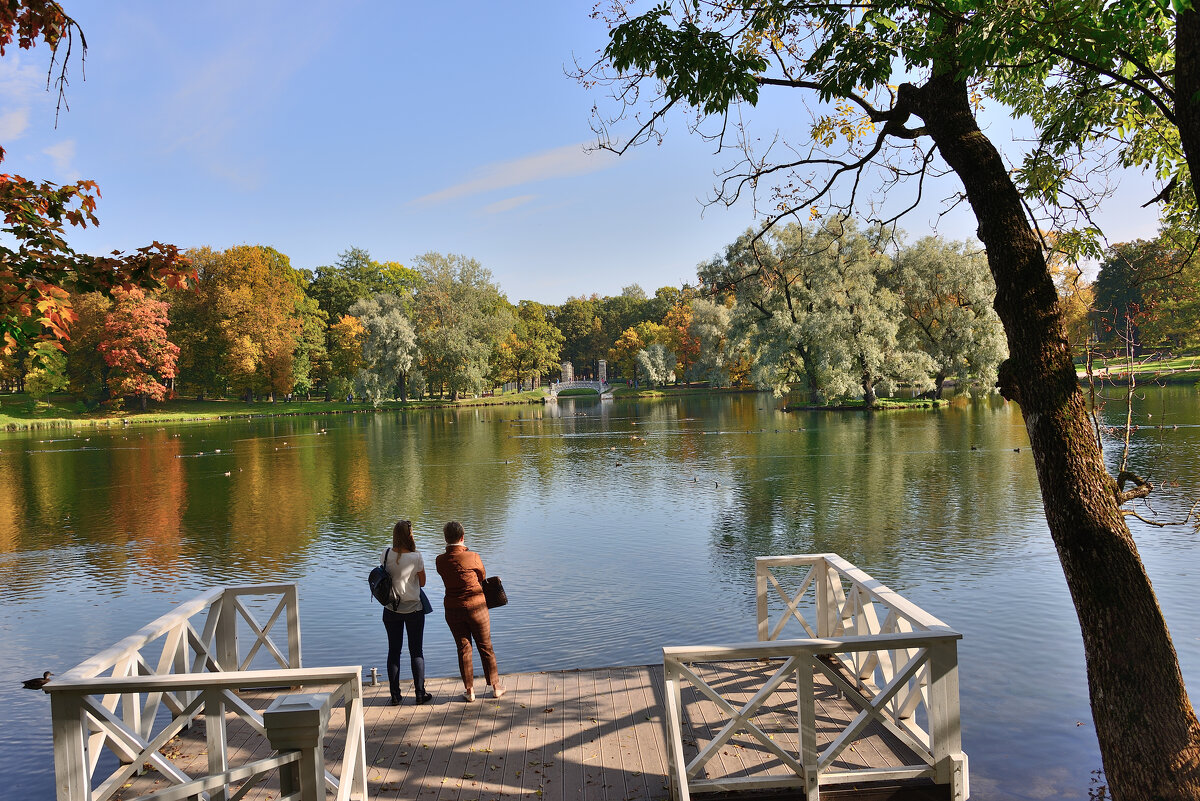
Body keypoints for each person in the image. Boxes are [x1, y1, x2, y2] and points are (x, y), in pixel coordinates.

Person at [435, 521, 505, 701]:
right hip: (477, 608)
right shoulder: (472, 556)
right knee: (485, 646)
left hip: (453, 609)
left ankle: (470, 691)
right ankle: (496, 687)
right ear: (462, 537)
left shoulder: (440, 560)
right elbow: (481, 576)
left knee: (463, 648)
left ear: (445, 538)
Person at [380, 520, 432, 706]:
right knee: (416, 651)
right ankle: (420, 693)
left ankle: (395, 695)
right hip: (414, 610)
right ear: (410, 535)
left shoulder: (385, 553)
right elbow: (423, 583)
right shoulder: (416, 557)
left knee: (393, 651)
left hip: (391, 609)